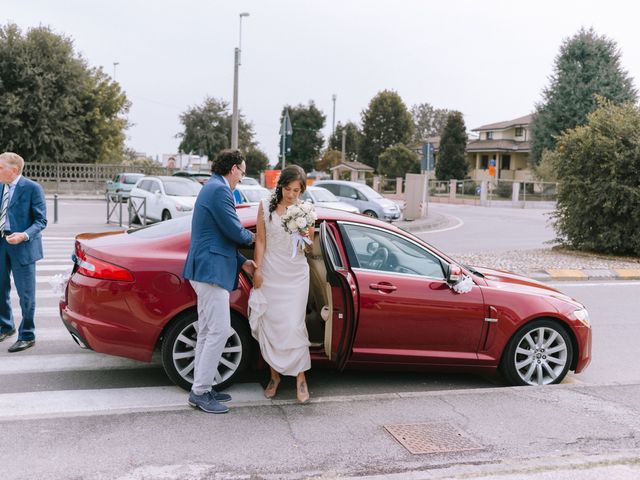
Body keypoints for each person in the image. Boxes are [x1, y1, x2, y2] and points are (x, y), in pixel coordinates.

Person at [183, 149, 256, 414]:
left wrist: (241, 262)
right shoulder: (220, 190)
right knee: (219, 331)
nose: (242, 178)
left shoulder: (212, 187)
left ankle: (202, 386)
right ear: (234, 168)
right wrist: (260, 240)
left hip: (207, 268)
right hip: (211, 272)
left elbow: (218, 236)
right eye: (243, 172)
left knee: (206, 331)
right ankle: (200, 392)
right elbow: (233, 230)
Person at [249, 165, 313, 404]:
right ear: (280, 186)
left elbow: (309, 247)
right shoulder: (265, 206)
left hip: (296, 274)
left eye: (297, 190)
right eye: (288, 189)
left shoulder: (305, 209)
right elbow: (261, 242)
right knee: (272, 325)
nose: (292, 195)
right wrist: (258, 270)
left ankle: (300, 378)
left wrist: (303, 231)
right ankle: (274, 376)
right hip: (272, 272)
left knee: (293, 325)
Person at [0, 152, 47, 353]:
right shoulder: (1, 185)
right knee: (0, 289)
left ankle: (27, 334)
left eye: (0, 167)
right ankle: (6, 326)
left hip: (23, 246)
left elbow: (41, 221)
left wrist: (23, 236)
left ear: (14, 170)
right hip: (2, 243)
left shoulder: (32, 188)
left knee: (26, 295)